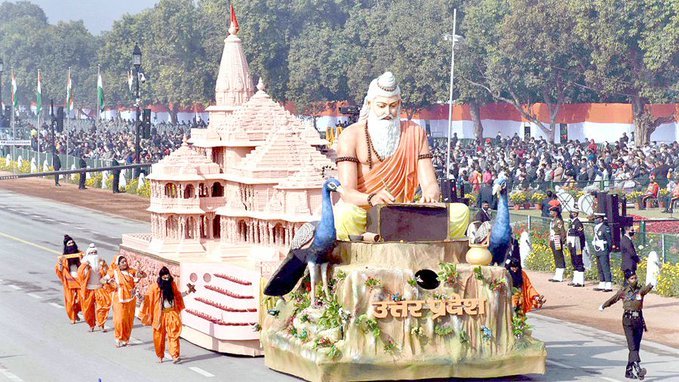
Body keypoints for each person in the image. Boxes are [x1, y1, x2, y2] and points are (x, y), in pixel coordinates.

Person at [334, 72, 440, 240]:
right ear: (369, 104)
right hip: (364, 212)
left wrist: (430, 196)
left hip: (400, 211)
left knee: (459, 213)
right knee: (344, 215)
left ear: (399, 105)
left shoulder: (415, 133)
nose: (388, 112)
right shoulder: (351, 135)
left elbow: (431, 185)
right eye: (381, 106)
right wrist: (372, 198)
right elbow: (346, 193)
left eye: (393, 106)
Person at [599, 270, 652, 380]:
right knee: (632, 346)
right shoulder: (623, 291)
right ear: (628, 280)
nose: (634, 280)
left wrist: (653, 279)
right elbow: (613, 299)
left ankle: (628, 371)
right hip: (628, 320)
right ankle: (638, 369)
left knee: (635, 347)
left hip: (638, 320)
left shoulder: (640, 290)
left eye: (635, 278)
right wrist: (603, 306)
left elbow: (648, 287)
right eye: (632, 278)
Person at [140, 266, 187, 364]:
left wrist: (187, 292)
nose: (166, 280)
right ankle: (160, 355)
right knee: (159, 337)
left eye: (168, 278)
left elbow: (177, 295)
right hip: (159, 316)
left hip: (170, 313)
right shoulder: (154, 287)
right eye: (164, 278)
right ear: (161, 277)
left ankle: (175, 355)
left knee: (173, 334)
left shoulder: (172, 285)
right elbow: (148, 299)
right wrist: (140, 297)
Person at [102, 255, 146, 347]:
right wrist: (108, 282)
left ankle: (126, 339)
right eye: (122, 262)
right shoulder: (114, 272)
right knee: (119, 319)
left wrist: (141, 272)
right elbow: (102, 280)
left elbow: (143, 275)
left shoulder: (131, 271)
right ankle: (118, 338)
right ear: (118, 264)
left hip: (130, 298)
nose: (125, 263)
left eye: (125, 261)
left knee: (128, 320)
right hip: (119, 299)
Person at [56, 235, 83, 324]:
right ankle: (72, 317)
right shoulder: (64, 258)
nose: (71, 244)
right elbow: (59, 270)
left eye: (72, 243)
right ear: (66, 246)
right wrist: (60, 262)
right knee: (70, 301)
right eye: (69, 243)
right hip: (69, 282)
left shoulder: (80, 254)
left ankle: (76, 312)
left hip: (79, 281)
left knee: (81, 300)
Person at [77, 243, 101, 332]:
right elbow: (80, 276)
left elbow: (107, 273)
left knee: (101, 308)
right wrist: (85, 267)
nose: (94, 255)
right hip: (88, 289)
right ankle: (91, 325)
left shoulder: (100, 262)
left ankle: (101, 324)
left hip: (100, 289)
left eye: (95, 252)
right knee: (88, 309)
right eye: (91, 253)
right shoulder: (84, 263)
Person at [592, 213, 613, 292]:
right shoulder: (597, 228)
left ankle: (608, 284)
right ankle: (602, 282)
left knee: (605, 267)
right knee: (600, 267)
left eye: (596, 218)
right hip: (598, 249)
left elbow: (609, 241)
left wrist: (608, 250)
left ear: (601, 219)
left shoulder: (605, 228)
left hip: (603, 249)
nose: (595, 220)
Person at [566, 209, 586, 287]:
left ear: (576, 214)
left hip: (577, 244)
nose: (571, 214)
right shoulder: (572, 222)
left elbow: (580, 234)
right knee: (574, 261)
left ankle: (580, 281)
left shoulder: (578, 223)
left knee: (578, 261)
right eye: (571, 213)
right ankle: (575, 280)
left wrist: (580, 245)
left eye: (572, 213)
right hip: (572, 244)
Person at [548, 206, 567, 282]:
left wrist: (563, 241)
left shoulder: (559, 221)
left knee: (559, 256)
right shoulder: (553, 221)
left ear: (555, 213)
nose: (550, 213)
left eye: (552, 212)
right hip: (553, 239)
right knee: (556, 256)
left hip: (557, 239)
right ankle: (557, 275)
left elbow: (562, 232)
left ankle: (560, 275)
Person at [96, 259, 114, 332]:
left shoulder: (109, 271)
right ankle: (100, 324)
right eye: (100, 265)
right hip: (98, 291)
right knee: (101, 308)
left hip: (107, 291)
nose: (102, 267)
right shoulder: (94, 271)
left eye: (103, 265)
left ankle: (101, 324)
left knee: (106, 308)